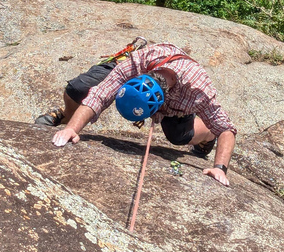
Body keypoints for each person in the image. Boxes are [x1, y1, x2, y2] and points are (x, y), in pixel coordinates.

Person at [35, 42, 237, 186]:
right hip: (143, 68)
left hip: (178, 106)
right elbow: (101, 93)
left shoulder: (197, 91)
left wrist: (220, 167)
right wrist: (72, 129)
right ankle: (67, 116)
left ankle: (207, 135)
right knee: (78, 89)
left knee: (178, 136)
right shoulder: (140, 62)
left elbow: (226, 128)